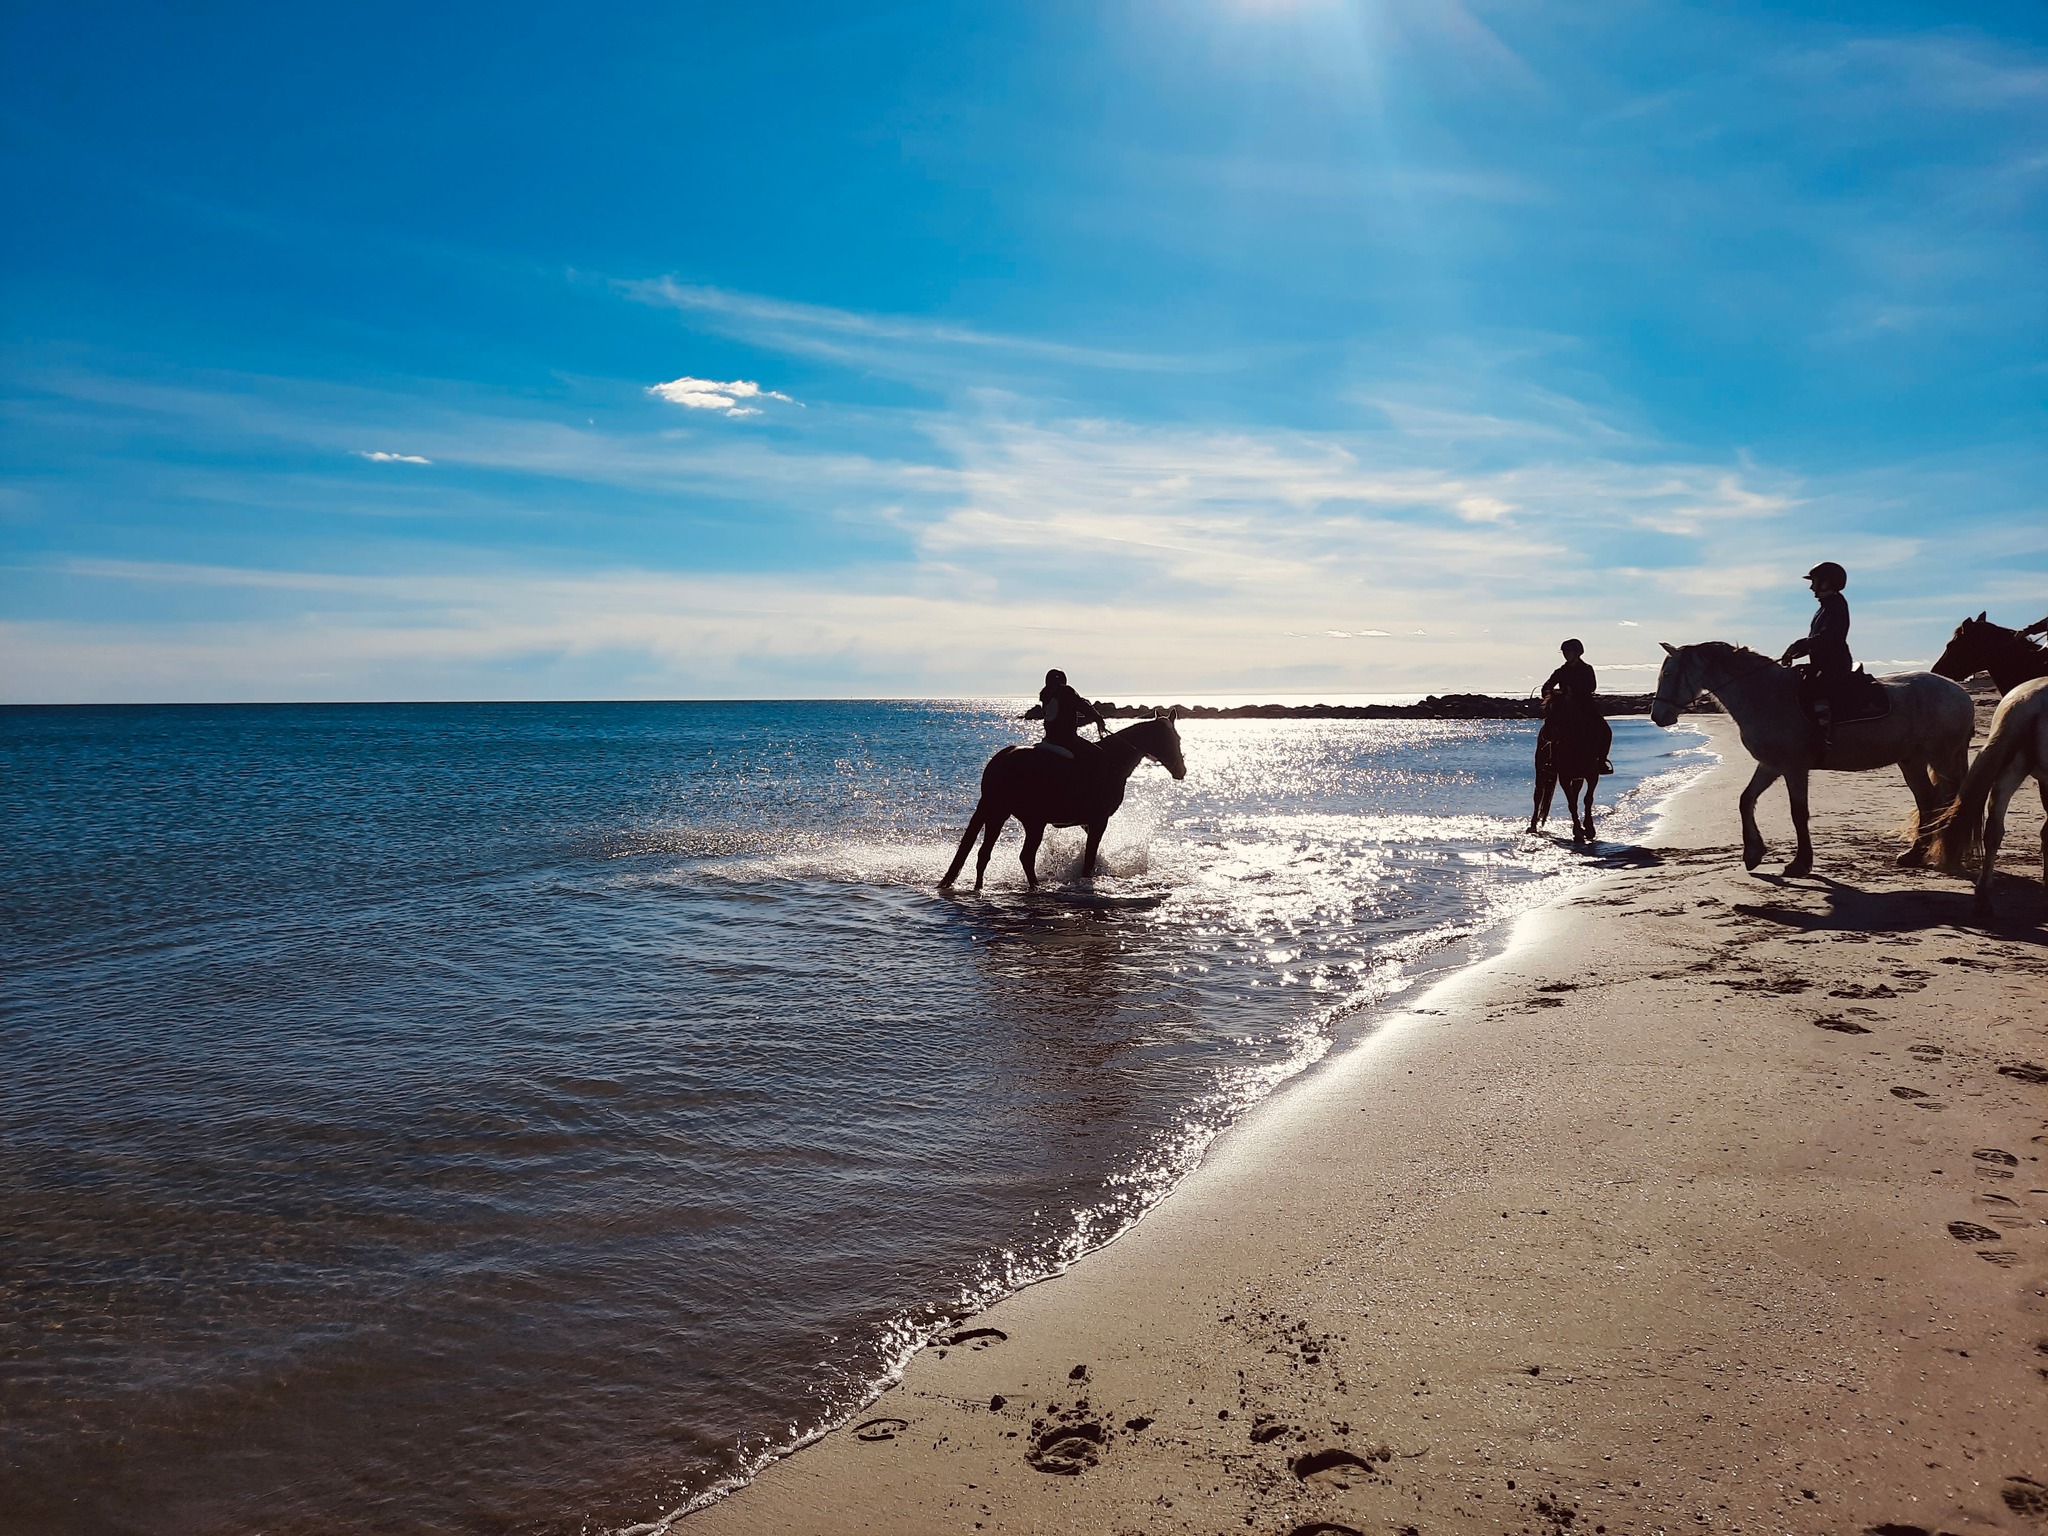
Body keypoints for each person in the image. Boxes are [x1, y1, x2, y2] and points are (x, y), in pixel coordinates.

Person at [1777, 561, 1854, 747]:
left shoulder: (1836, 605)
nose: (1812, 586)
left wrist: (1798, 645)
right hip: (1822, 663)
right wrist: (1796, 652)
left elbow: (1829, 637)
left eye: (1815, 582)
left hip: (1834, 665)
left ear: (1827, 583)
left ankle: (1824, 733)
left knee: (1815, 688)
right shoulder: (1824, 607)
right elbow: (1817, 640)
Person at [1538, 639, 1612, 772]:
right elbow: (1547, 685)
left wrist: (1573, 692)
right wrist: (1551, 695)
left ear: (1577, 653)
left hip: (1584, 705)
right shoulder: (1560, 671)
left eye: (1569, 652)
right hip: (1565, 707)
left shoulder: (1587, 669)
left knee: (1605, 730)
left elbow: (1591, 686)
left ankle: (1601, 760)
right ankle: (1553, 760)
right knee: (1554, 729)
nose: (1566, 655)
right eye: (1564, 652)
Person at [1037, 669, 1107, 764]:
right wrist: (1096, 716)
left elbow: (1057, 719)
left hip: (1049, 740)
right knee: (1100, 755)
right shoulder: (1066, 691)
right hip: (1067, 740)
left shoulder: (1045, 696)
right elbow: (1083, 705)